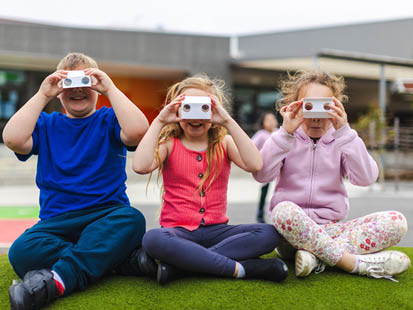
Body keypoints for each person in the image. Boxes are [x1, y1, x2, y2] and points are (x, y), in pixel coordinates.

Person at [3, 52, 149, 309]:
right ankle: (115, 261)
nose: (79, 90)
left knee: (132, 218)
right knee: (21, 251)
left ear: (97, 87)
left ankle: (57, 280)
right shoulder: (46, 124)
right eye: (70, 84)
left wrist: (110, 88)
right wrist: (42, 94)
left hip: (106, 215)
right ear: (59, 91)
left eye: (86, 82)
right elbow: (13, 139)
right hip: (57, 222)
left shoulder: (108, 120)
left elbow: (138, 132)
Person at [253, 70, 410, 282]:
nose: (317, 116)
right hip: (290, 235)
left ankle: (316, 259)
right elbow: (261, 175)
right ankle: (352, 263)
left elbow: (366, 178)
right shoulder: (284, 138)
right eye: (309, 106)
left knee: (396, 221)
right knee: (282, 211)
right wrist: (284, 134)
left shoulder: (341, 139)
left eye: (325, 106)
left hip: (331, 231)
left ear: (336, 107)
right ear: (295, 107)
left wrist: (345, 132)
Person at [132, 75, 288, 285]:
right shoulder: (169, 144)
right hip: (179, 233)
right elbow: (140, 166)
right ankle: (241, 268)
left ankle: (182, 267)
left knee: (268, 233)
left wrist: (227, 121)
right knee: (153, 239)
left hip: (219, 232)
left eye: (204, 108)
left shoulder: (224, 142)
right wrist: (160, 120)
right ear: (177, 110)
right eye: (188, 107)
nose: (196, 116)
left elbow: (255, 164)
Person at [251, 113, 278, 223]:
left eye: (273, 119)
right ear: (263, 123)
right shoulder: (261, 134)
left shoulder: (279, 132)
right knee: (265, 191)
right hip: (266, 167)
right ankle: (260, 213)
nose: (271, 122)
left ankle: (277, 213)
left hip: (279, 167)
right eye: (268, 120)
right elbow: (251, 146)